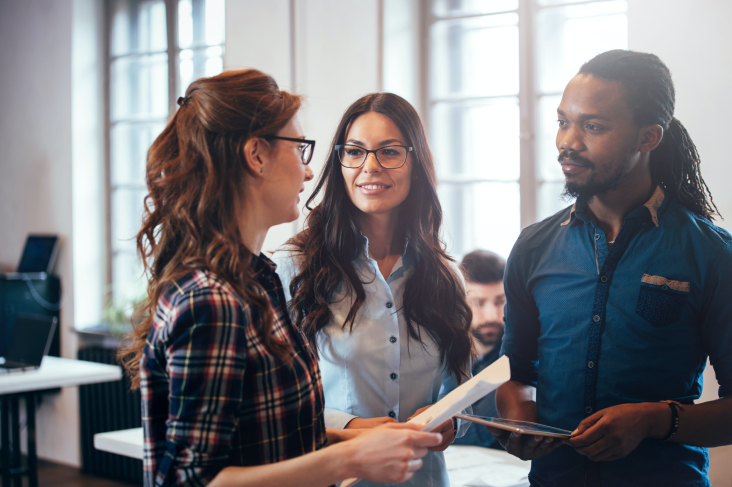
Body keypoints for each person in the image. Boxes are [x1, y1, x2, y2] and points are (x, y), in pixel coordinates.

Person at [118, 70, 443, 487]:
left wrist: (354, 436)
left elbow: (276, 435)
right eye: (300, 150)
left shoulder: (260, 280)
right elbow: (191, 481)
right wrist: (348, 458)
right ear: (256, 155)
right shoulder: (211, 301)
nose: (309, 173)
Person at [494, 49, 732, 486]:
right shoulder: (533, 247)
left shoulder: (713, 255)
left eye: (593, 126)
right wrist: (519, 417)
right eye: (563, 121)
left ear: (648, 137)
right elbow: (515, 374)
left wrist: (653, 420)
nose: (568, 141)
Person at [273, 92, 474, 487]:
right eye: (355, 152)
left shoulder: (446, 276)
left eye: (389, 152)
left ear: (416, 164)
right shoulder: (293, 267)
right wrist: (351, 426)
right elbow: (276, 405)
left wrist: (452, 421)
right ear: (339, 162)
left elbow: (460, 391)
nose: (370, 167)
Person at [442, 250, 506, 450]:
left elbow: (479, 433)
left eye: (500, 301)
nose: (491, 316)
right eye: (478, 303)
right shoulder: (442, 353)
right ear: (459, 303)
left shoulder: (518, 359)